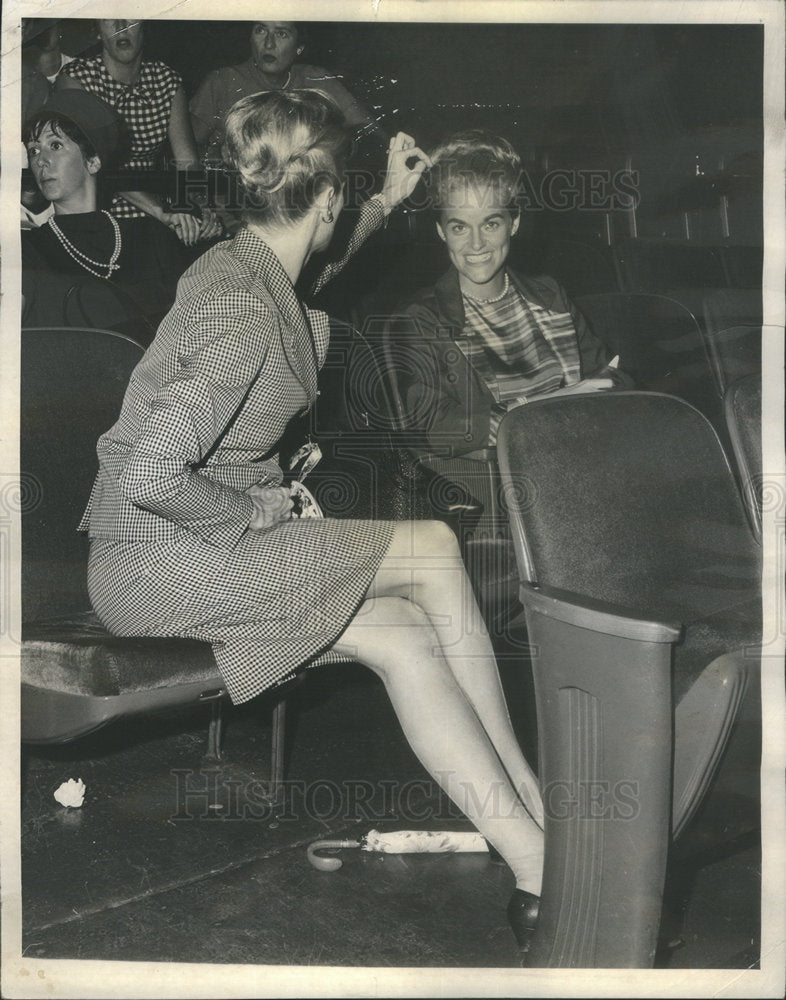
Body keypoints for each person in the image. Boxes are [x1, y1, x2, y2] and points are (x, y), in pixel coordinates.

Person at [79, 90, 544, 953]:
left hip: (182, 546)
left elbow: (304, 286)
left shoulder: (242, 266)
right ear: (320, 196)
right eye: (344, 197)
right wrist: (252, 503)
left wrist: (382, 205)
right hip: (159, 562)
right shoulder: (243, 309)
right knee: (436, 550)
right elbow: (150, 472)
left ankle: (531, 857)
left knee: (402, 632)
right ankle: (546, 831)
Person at [392, 130, 631, 457]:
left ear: (513, 223)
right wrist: (553, 401)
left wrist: (606, 385)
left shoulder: (548, 294)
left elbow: (613, 377)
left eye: (490, 224)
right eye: (459, 227)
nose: (476, 244)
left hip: (583, 456)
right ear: (441, 232)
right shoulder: (422, 318)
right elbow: (437, 430)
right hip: (500, 487)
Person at [22, 90, 196, 332]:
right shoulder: (26, 249)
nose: (41, 160)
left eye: (55, 145)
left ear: (93, 162)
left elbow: (192, 323)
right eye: (34, 150)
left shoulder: (150, 236)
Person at [56, 19, 217, 247]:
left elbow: (187, 163)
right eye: (110, 20)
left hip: (157, 211)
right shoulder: (76, 79)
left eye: (130, 17)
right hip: (96, 209)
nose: (121, 25)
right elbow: (101, 163)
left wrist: (201, 206)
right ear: (97, 31)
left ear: (144, 25)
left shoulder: (167, 81)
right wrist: (162, 212)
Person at [189, 21, 386, 164]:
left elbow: (370, 134)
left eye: (281, 34)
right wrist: (217, 153)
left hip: (305, 199)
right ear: (250, 38)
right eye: (260, 30)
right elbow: (182, 150)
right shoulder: (221, 81)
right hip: (235, 204)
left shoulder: (317, 79)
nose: (268, 44)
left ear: (299, 48)